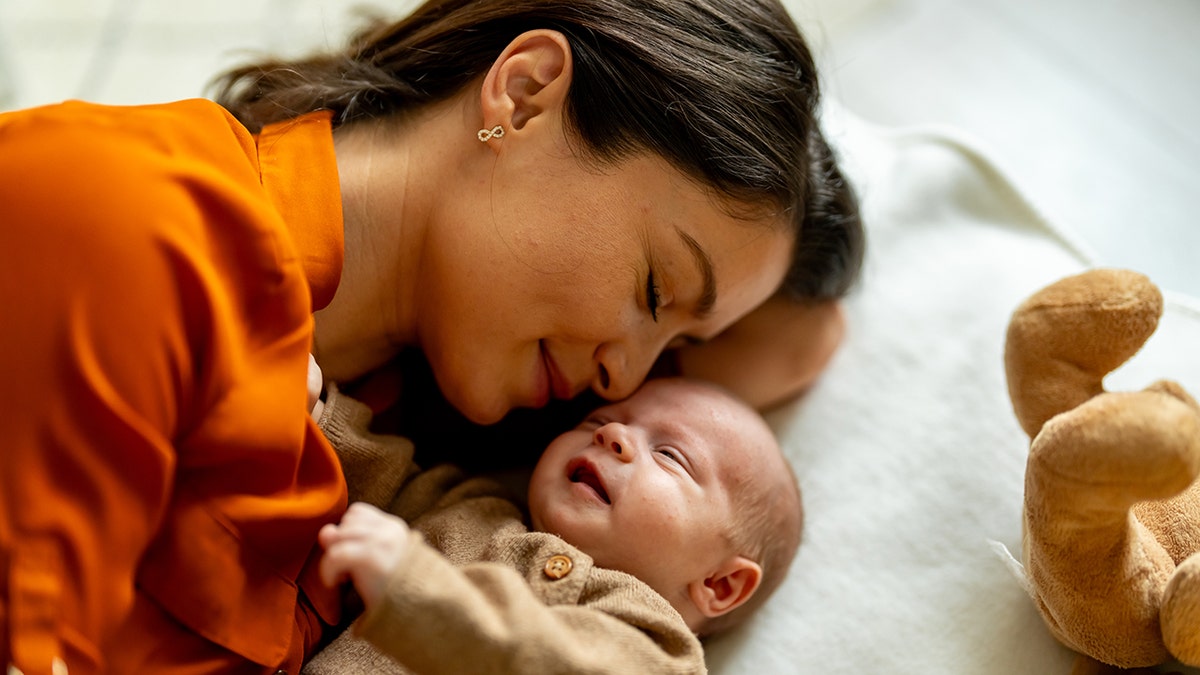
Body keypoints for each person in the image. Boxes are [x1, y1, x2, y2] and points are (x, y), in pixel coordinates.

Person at [0, 0, 862, 672]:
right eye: (652, 288)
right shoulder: (128, 222)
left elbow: (805, 337)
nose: (624, 382)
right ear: (524, 97)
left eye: (673, 351)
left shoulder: (400, 461)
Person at [304, 377, 802, 674]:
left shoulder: (657, 651)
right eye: (598, 419)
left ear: (720, 582)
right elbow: (388, 477)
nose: (613, 434)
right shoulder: (479, 508)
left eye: (670, 455)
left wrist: (417, 591)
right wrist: (319, 412)